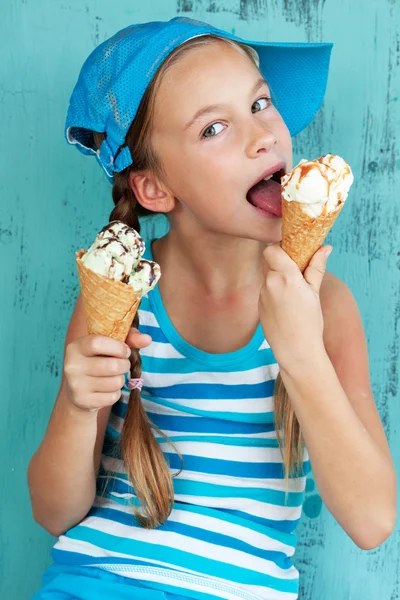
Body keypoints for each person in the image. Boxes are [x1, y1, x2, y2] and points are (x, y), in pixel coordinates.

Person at [28, 16, 396, 600]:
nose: (263, 135)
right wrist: (78, 405)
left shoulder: (325, 304)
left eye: (260, 102)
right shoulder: (125, 293)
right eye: (214, 128)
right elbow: (54, 512)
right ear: (154, 189)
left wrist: (301, 353)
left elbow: (373, 520)